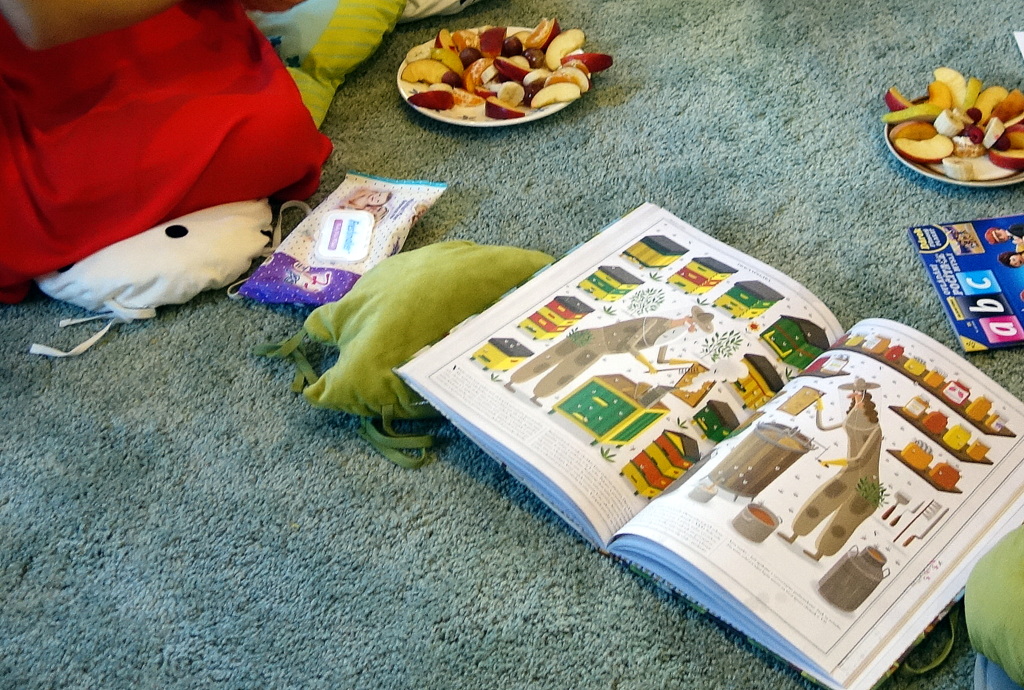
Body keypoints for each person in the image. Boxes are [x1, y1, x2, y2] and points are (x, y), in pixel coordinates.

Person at [0, 0, 333, 303]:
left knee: (279, 135)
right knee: (23, 222)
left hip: (165, 38)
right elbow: (39, 24)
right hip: (42, 73)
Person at [504, 306, 716, 405]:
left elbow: (662, 360)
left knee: (567, 372)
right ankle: (515, 379)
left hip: (601, 348)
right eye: (693, 324)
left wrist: (687, 363)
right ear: (688, 318)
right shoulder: (656, 322)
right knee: (554, 356)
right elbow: (631, 345)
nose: (692, 329)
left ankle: (538, 394)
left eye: (695, 328)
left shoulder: (668, 337)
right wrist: (648, 366)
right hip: (595, 337)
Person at [777, 378, 883, 561]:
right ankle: (795, 534)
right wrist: (819, 407)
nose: (854, 396)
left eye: (858, 394)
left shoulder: (875, 429)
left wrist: (832, 462)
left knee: (844, 519)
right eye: (854, 394)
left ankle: (822, 552)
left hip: (867, 484)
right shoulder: (853, 418)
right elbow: (823, 427)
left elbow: (860, 459)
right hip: (848, 474)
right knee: (821, 500)